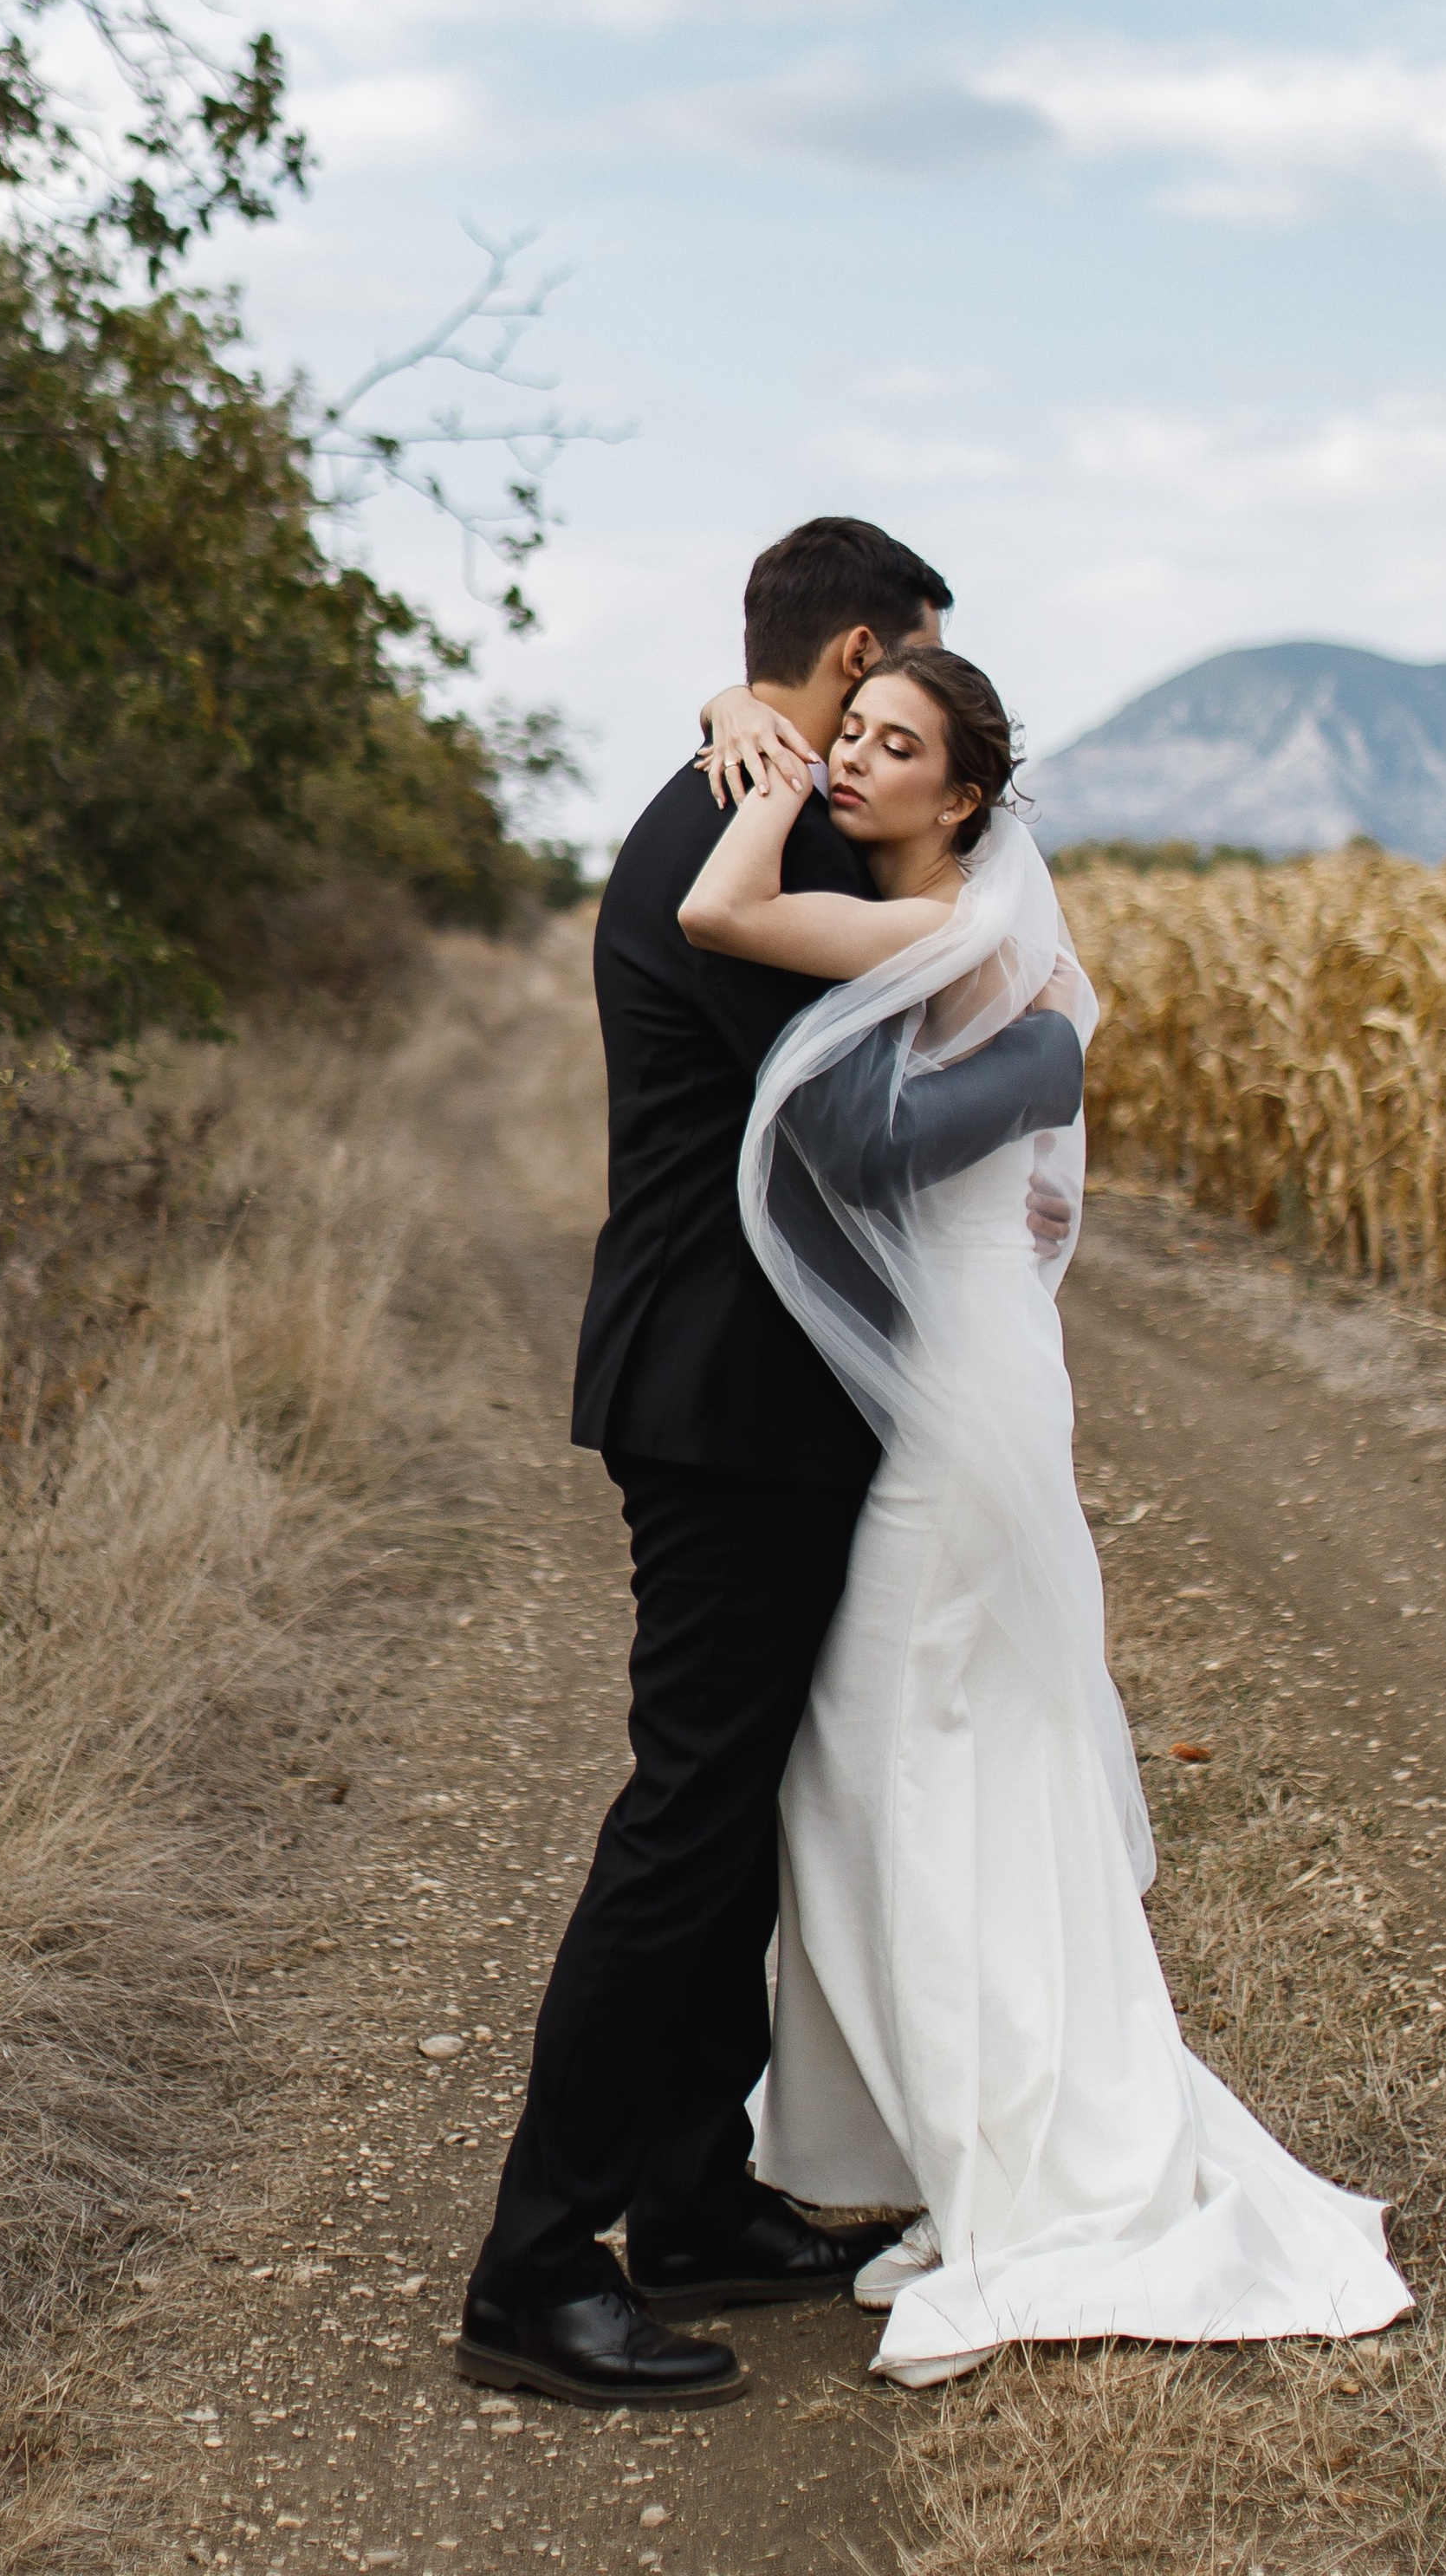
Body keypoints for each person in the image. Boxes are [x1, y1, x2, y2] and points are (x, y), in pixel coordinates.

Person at [679, 645, 1415, 2385]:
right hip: (967, 1370)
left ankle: (1019, 2160)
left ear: (964, 799)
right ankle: (976, 2138)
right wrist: (741, 714)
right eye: (844, 731)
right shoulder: (970, 931)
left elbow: (718, 911)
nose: (851, 762)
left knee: (887, 1757)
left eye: (888, 749)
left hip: (962, 1406)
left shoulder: (954, 935)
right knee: (944, 1757)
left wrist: (759, 769)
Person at [458, 522, 1087, 2409]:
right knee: (685, 1820)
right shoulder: (741, 838)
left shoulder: (732, 793)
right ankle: (532, 2267)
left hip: (761, 1395)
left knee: (736, 1817)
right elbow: (863, 1133)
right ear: (851, 664)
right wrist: (1046, 1064)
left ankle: (689, 2194)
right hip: (720, 1398)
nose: (890, 736)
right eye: (887, 696)